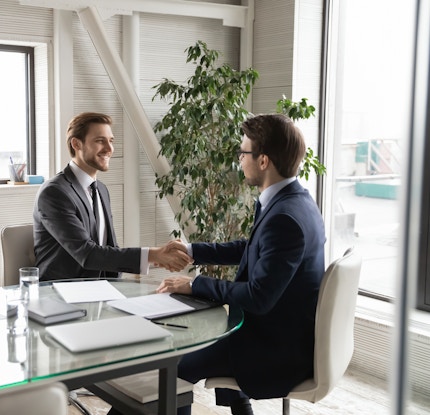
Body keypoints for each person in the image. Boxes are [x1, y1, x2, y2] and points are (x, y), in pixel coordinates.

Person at [109, 114, 326, 415]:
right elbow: (251, 249)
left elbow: (258, 297)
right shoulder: (294, 201)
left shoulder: (284, 218)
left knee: (174, 364)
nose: (239, 159)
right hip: (279, 334)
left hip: (273, 349)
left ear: (263, 161)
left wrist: (195, 284)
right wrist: (192, 249)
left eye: (243, 153)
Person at [33, 112, 192, 281]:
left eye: (111, 141)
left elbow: (109, 249)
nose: (109, 149)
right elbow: (88, 254)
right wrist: (154, 254)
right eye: (100, 141)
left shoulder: (100, 190)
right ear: (76, 144)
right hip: (59, 296)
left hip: (100, 292)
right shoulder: (54, 193)